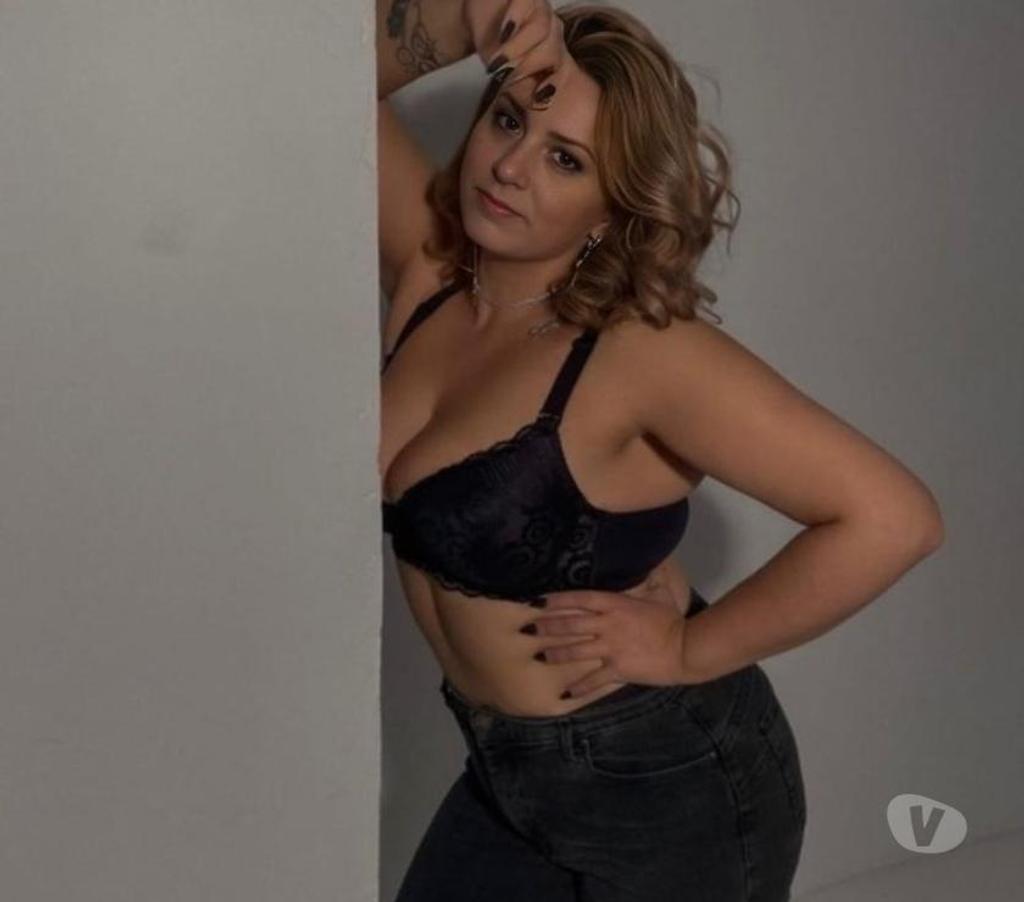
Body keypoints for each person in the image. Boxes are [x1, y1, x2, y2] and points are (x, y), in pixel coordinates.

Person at [376, 2, 945, 899]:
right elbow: (326, 84)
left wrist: (687, 650)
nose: (512, 167)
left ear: (615, 207)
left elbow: (894, 518)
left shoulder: (638, 350)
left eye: (568, 160)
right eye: (510, 119)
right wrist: (478, 19)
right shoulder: (431, 272)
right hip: (502, 771)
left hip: (668, 788)